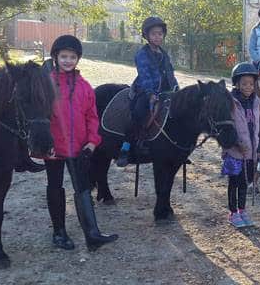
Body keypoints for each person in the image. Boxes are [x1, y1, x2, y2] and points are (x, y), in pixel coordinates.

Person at [44, 35, 118, 250]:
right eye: (64, 56)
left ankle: (92, 234)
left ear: (78, 59)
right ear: (56, 57)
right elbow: (39, 116)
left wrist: (93, 142)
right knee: (55, 186)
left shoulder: (85, 86)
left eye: (72, 57)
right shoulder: (46, 83)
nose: (68, 60)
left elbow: (92, 117)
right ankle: (59, 233)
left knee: (83, 187)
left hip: (78, 146)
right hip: (53, 146)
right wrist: (44, 142)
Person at [117, 16, 179, 167]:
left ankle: (174, 147)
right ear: (147, 36)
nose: (157, 36)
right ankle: (126, 147)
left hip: (165, 91)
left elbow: (170, 74)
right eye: (154, 34)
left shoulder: (164, 54)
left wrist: (177, 91)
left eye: (160, 33)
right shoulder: (142, 54)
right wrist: (151, 93)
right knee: (138, 112)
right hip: (145, 90)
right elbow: (145, 75)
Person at [222, 62, 260, 228]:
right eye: (244, 83)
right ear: (236, 84)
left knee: (245, 183)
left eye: (251, 84)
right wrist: (236, 144)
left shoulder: (256, 103)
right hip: (235, 153)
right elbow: (227, 129)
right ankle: (232, 213)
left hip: (250, 153)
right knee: (234, 183)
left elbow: (257, 128)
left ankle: (242, 210)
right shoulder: (230, 103)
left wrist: (258, 149)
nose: (248, 87)